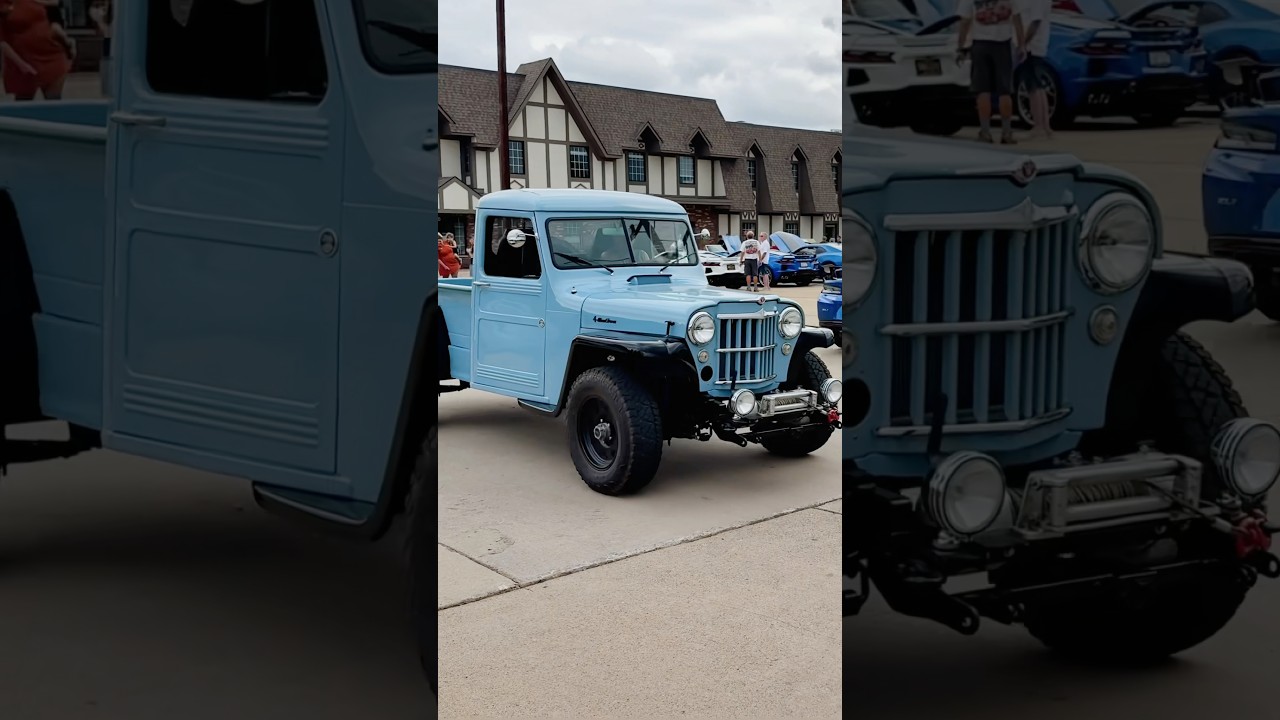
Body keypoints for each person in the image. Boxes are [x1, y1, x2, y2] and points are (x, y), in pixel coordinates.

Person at [956, 0, 1023, 144]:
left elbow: (965, 21)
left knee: (982, 90)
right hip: (1003, 44)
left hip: (981, 44)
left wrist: (960, 46)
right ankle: (1006, 132)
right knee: (1005, 90)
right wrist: (1021, 45)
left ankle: (985, 132)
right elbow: (1017, 17)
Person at [0, 0, 71, 101]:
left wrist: (64, 39)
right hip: (23, 59)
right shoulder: (4, 5)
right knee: (24, 103)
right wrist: (21, 64)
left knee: (53, 101)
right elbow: (2, 41)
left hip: (51, 54)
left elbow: (55, 11)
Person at [1017, 0, 1052, 139]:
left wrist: (1022, 43)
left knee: (1032, 86)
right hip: (1038, 45)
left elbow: (1035, 21)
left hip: (1032, 45)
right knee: (1039, 85)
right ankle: (1045, 126)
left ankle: (1038, 126)